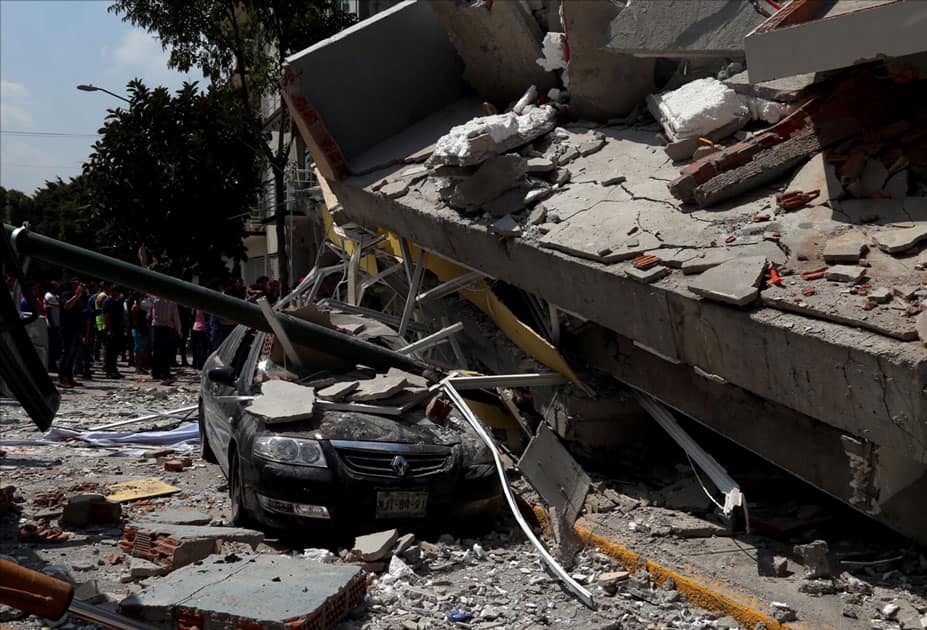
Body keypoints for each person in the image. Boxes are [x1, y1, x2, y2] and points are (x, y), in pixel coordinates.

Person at [57, 277, 86, 388]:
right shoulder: (66, 294)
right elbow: (66, 306)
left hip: (76, 328)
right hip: (67, 328)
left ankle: (69, 377)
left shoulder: (79, 297)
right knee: (66, 353)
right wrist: (76, 296)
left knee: (72, 354)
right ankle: (62, 378)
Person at [149, 295, 182, 384]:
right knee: (166, 352)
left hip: (156, 327)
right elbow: (176, 317)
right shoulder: (172, 303)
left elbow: (150, 314)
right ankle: (165, 372)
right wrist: (179, 331)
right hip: (167, 328)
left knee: (156, 351)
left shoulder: (155, 301)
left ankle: (155, 372)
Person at [102, 286, 126, 379]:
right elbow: (106, 316)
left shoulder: (119, 302)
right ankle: (109, 371)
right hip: (111, 329)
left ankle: (114, 369)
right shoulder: (108, 301)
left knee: (115, 351)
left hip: (118, 329)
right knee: (109, 351)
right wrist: (109, 329)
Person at [130, 292, 150, 375]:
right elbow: (135, 321)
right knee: (138, 350)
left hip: (143, 330)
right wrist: (139, 331)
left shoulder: (141, 307)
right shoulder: (135, 307)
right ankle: (138, 368)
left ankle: (141, 367)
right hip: (138, 330)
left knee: (143, 349)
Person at [44, 281, 61, 373]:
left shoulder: (54, 296)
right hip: (52, 326)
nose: (58, 288)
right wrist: (52, 324)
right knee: (52, 347)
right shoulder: (49, 296)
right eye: (56, 286)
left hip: (55, 325)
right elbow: (48, 311)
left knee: (55, 347)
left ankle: (53, 364)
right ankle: (51, 365)